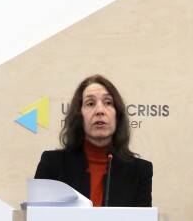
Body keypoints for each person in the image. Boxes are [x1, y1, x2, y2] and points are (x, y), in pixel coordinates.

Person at [34, 74, 152, 207]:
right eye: (90, 104)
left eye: (108, 103)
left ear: (117, 115)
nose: (100, 110)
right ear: (79, 116)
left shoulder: (139, 171)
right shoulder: (52, 164)